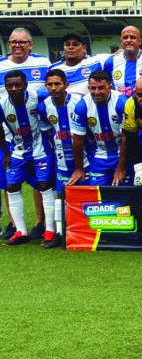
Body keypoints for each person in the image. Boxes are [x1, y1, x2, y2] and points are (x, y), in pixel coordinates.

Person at [0, 28, 50, 241]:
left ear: (31, 44)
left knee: (40, 181)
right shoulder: (1, 64)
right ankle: (14, 224)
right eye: (13, 42)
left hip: (38, 134)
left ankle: (41, 223)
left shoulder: (44, 63)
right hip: (10, 135)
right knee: (9, 180)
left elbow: (54, 85)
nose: (17, 45)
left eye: (22, 42)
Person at [36, 69, 81, 248]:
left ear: (66, 85)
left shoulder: (79, 103)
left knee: (87, 196)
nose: (53, 88)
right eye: (50, 84)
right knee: (60, 196)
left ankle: (85, 232)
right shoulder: (43, 107)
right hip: (61, 159)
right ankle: (60, 234)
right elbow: (47, 133)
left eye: (57, 84)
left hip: (84, 160)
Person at [69, 71, 128, 187]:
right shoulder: (83, 105)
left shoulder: (121, 103)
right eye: (93, 88)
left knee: (125, 194)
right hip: (100, 156)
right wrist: (79, 169)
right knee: (96, 197)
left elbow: (126, 138)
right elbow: (77, 139)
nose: (96, 92)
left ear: (109, 87)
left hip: (123, 154)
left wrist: (121, 169)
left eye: (101, 88)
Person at [102, 26, 142, 97]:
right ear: (121, 41)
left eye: (133, 37)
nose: (128, 40)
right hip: (120, 107)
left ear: (140, 41)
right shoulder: (111, 61)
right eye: (125, 37)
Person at [48, 32, 105, 97]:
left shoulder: (97, 61)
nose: (71, 47)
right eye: (67, 44)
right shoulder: (54, 68)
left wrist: (119, 51)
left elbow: (117, 58)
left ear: (84, 48)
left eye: (75, 44)